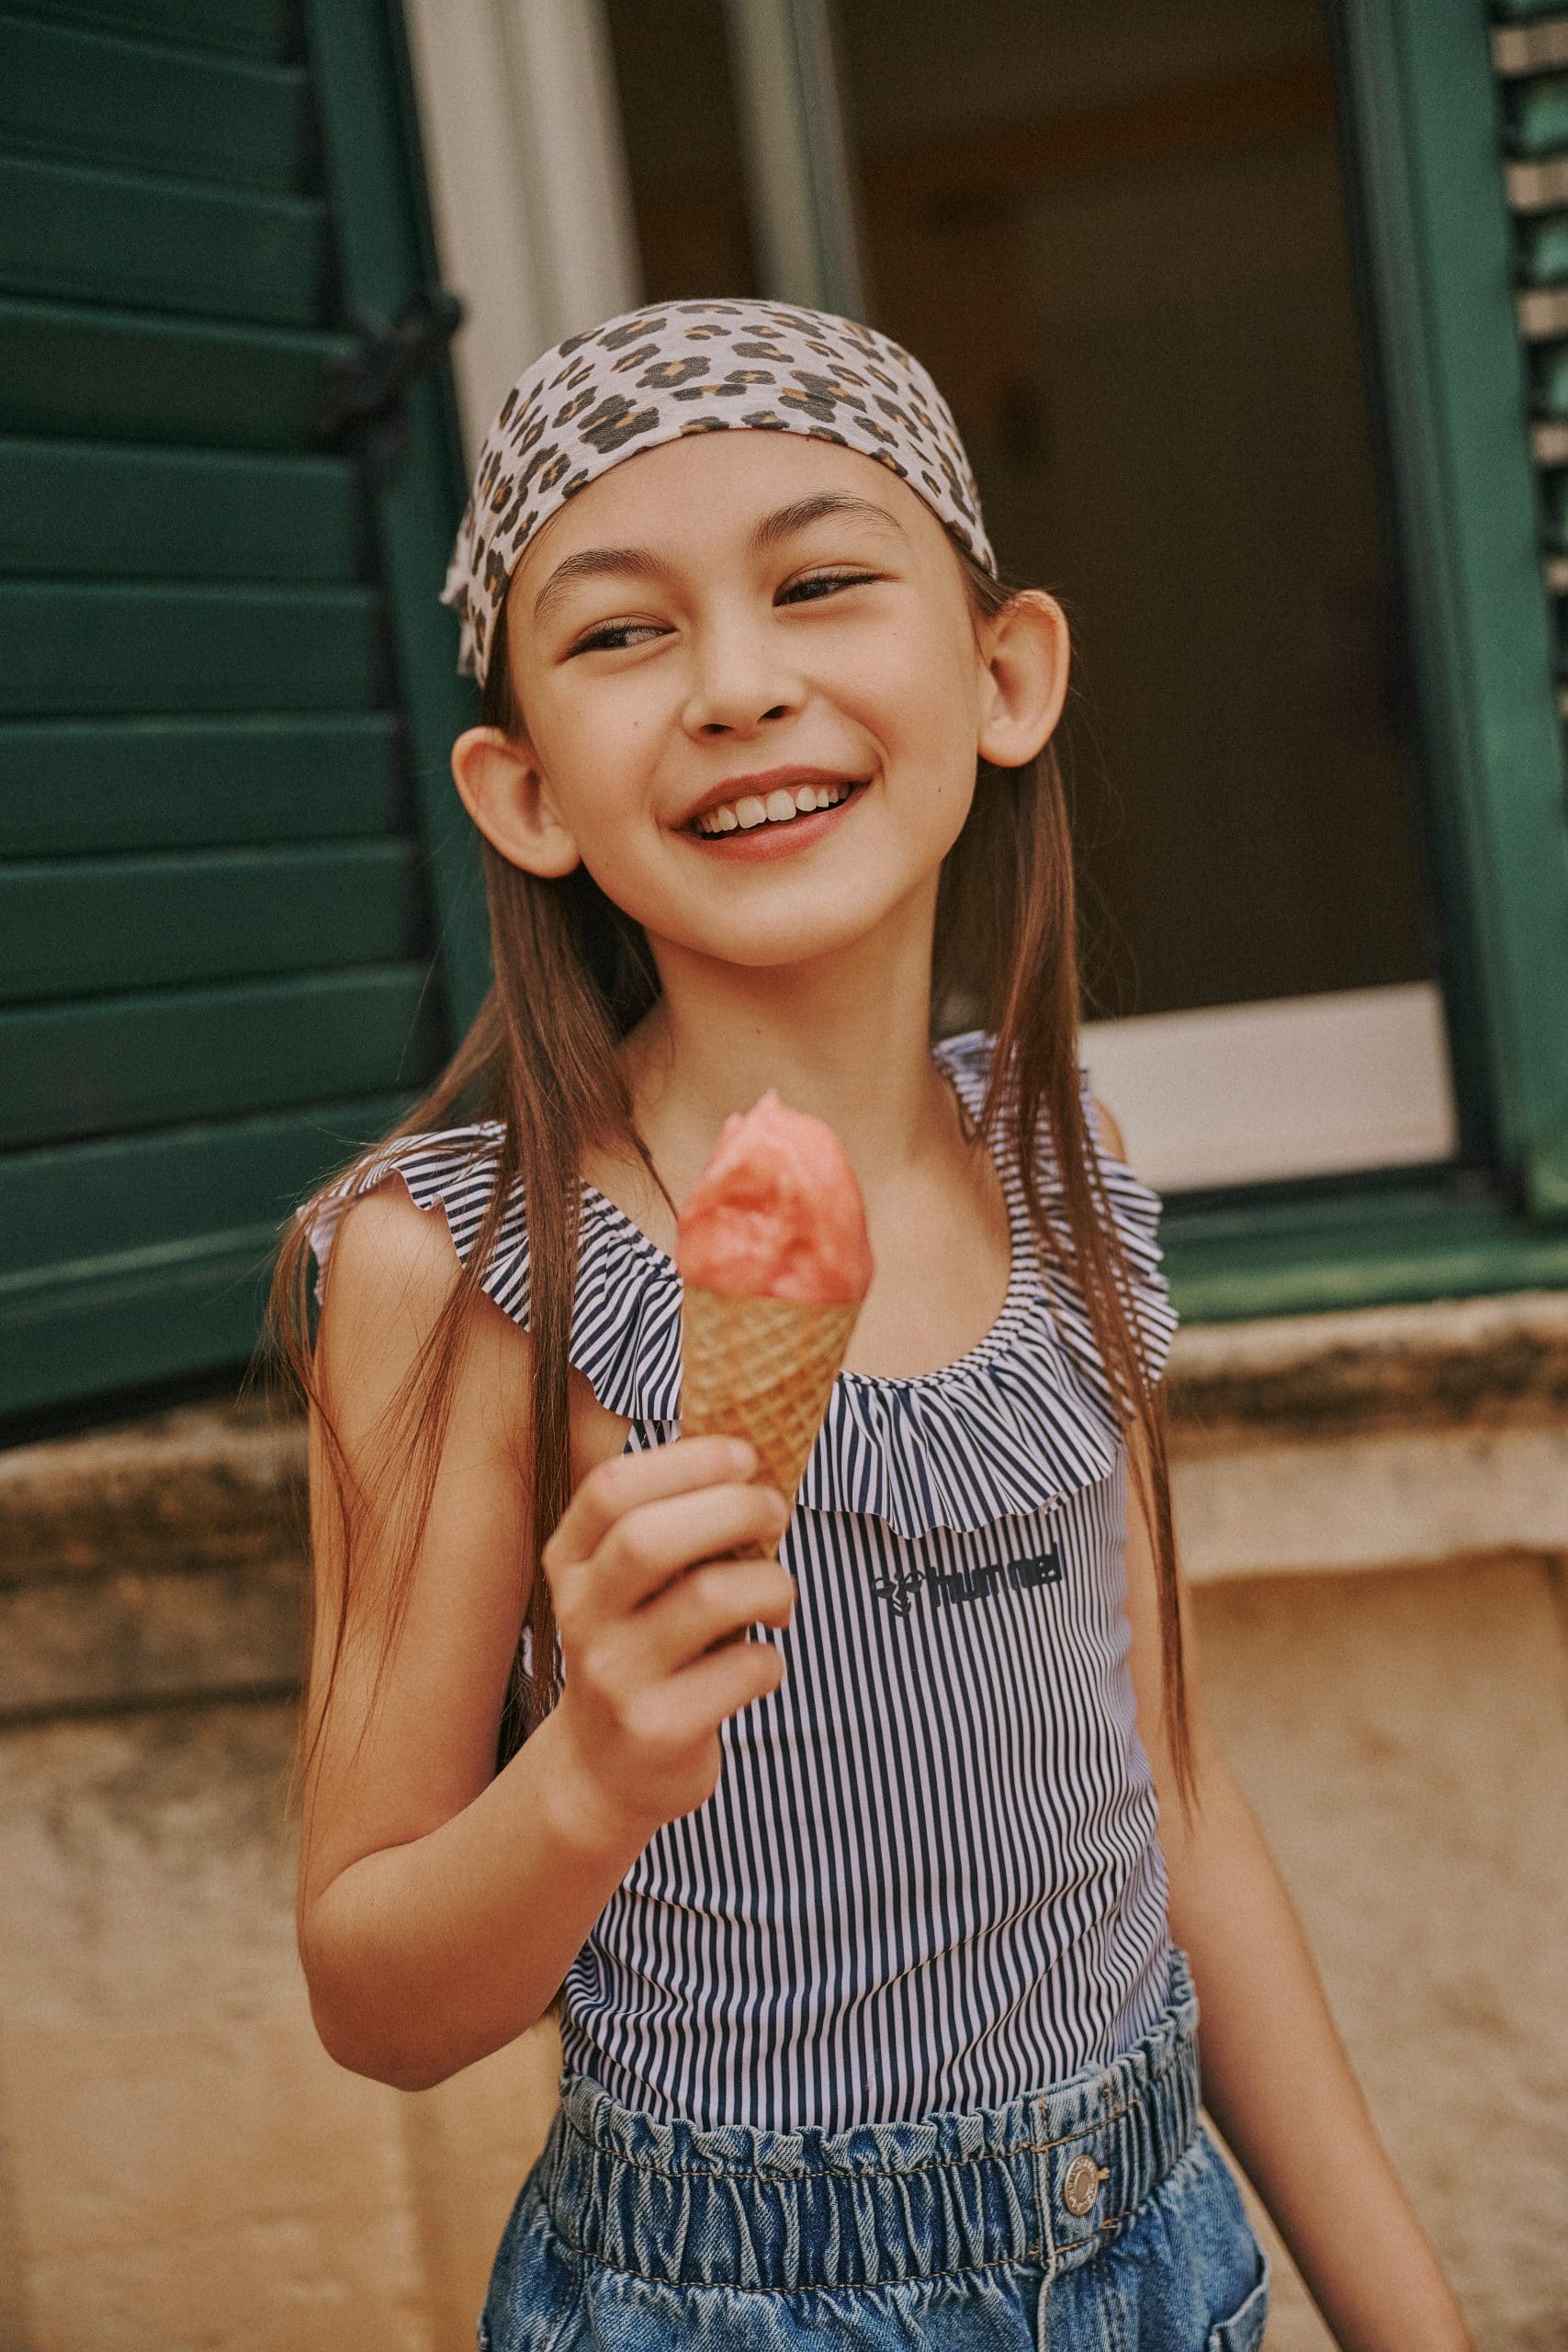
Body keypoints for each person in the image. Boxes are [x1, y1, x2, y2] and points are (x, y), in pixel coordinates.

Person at [276, 300, 1472, 2349]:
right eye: (621, 630)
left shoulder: (1061, 1161)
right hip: (735, 2300)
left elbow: (1169, 1788)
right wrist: (593, 1774)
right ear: (525, 789)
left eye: (820, 582)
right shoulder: (461, 1269)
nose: (740, 685)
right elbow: (371, 1995)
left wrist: (1410, 2322)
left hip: (1162, 2258)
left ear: (1004, 676)